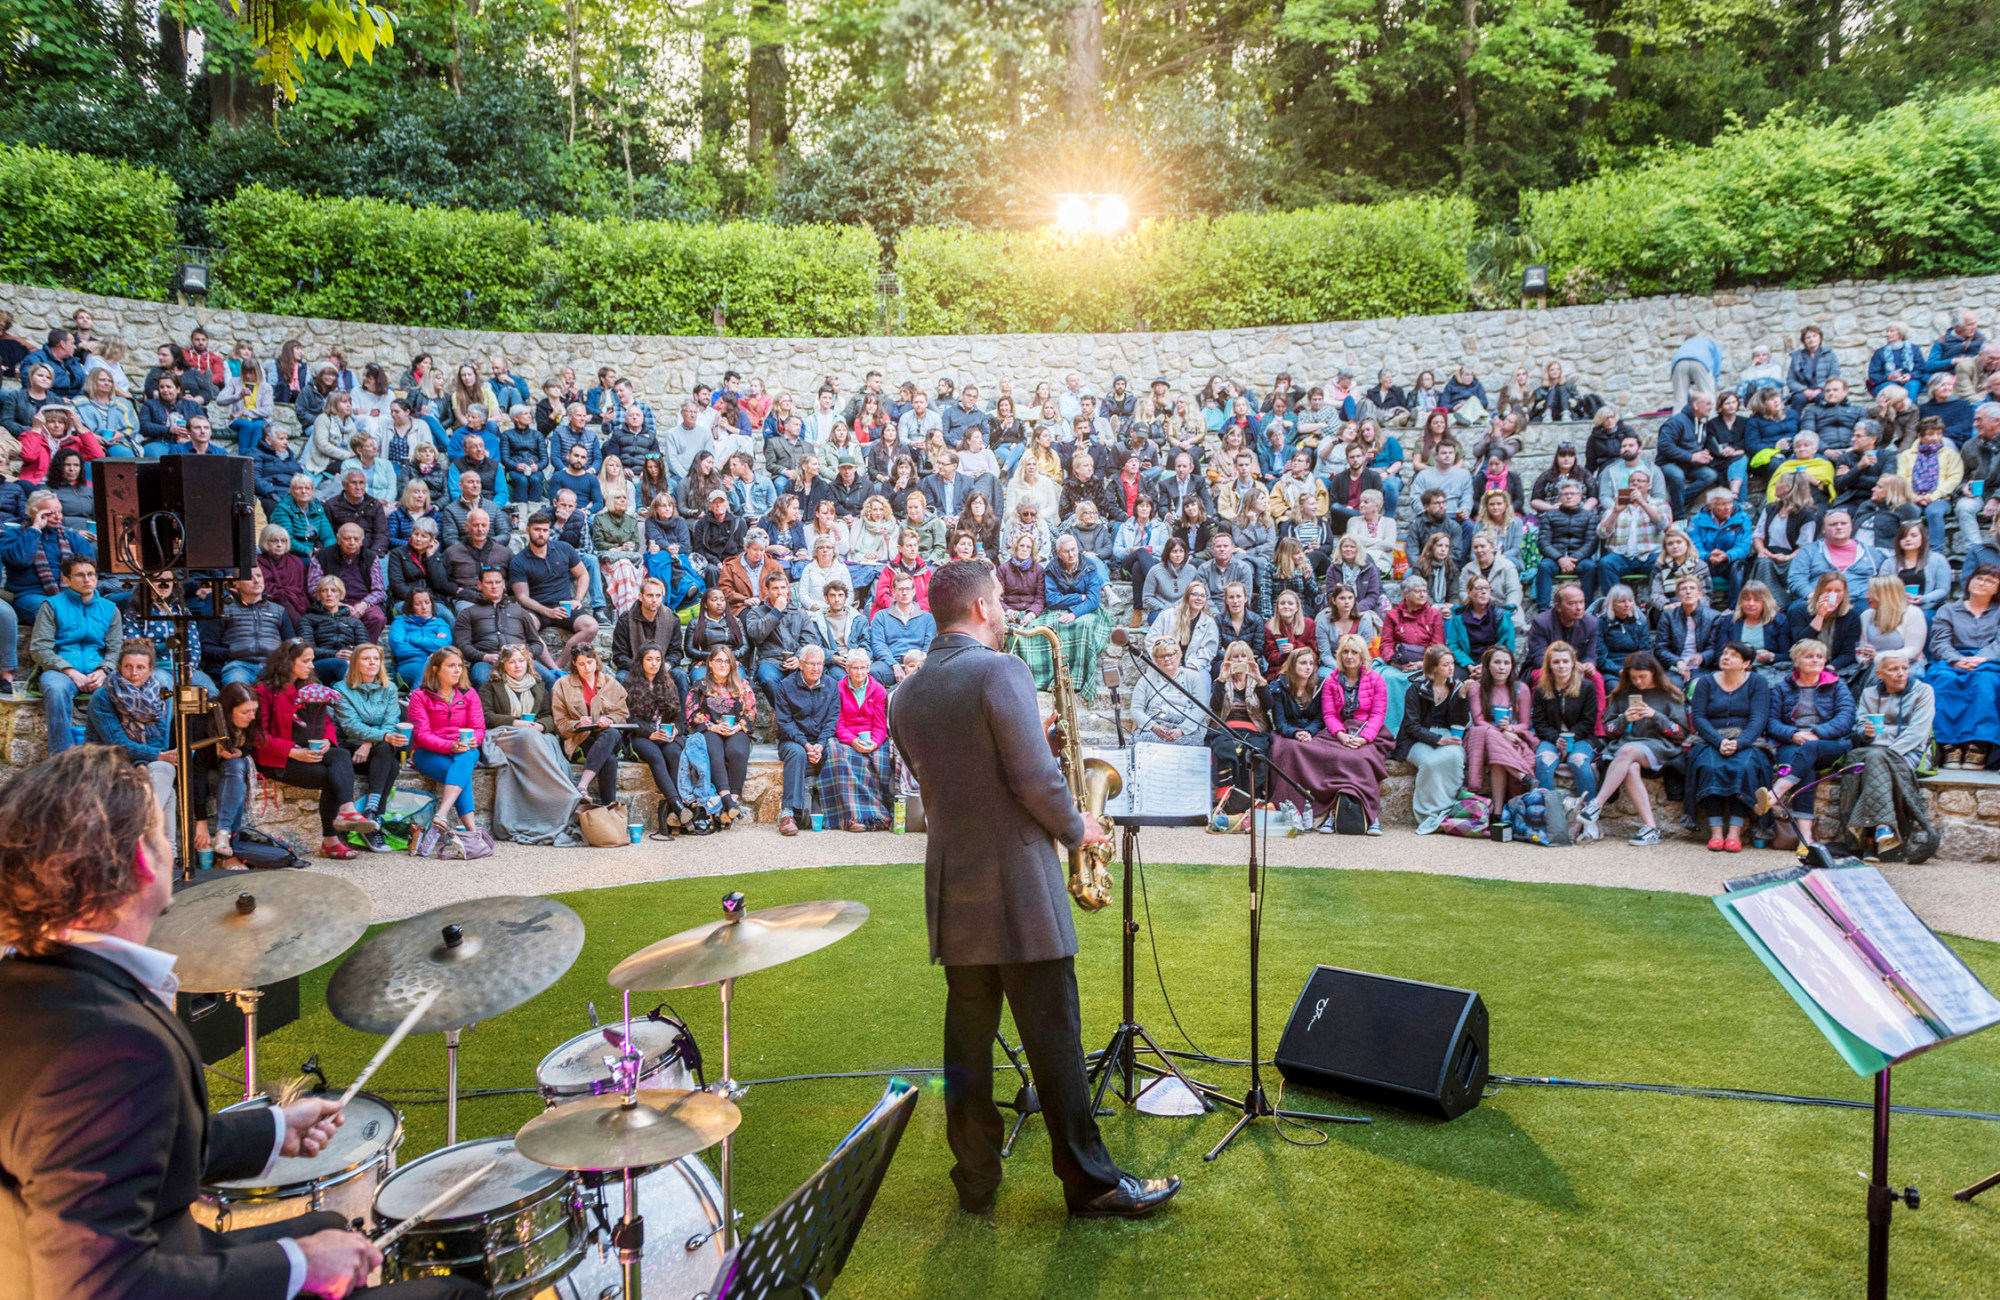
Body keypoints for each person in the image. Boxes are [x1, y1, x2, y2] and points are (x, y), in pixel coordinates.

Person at [0, 746, 479, 1300]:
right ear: (139, 860)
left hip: (138, 1245)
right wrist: (296, 1267)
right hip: (147, 1271)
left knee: (325, 1225)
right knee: (451, 1293)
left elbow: (131, 1150)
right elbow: (103, 1286)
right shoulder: (108, 1047)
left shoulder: (30, 986)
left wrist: (272, 1131)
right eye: (161, 834)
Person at [886, 560, 1172, 1218]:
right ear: (983, 608)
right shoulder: (1000, 669)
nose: (1009, 613)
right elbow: (1035, 783)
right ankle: (1092, 1182)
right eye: (1001, 603)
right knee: (1056, 1042)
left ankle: (976, 1179)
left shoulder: (904, 695)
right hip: (1017, 888)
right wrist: (1081, 830)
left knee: (967, 1043)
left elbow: (957, 780)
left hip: (953, 889)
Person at [251, 639, 379, 858]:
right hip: (279, 759)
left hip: (309, 750)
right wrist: (293, 752)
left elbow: (326, 721)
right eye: (306, 661)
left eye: (311, 660)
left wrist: (328, 739)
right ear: (287, 662)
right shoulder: (263, 690)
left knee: (340, 754)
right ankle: (331, 839)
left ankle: (346, 811)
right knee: (332, 776)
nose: (312, 665)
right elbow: (258, 735)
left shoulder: (310, 686)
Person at [1833, 652, 1939, 860]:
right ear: (1880, 674)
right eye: (1893, 669)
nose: (1901, 674)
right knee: (1872, 758)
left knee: (1875, 759)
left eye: (1904, 668)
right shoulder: (1870, 693)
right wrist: (1866, 733)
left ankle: (1861, 831)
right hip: (1873, 750)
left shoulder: (1923, 691)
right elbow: (1860, 725)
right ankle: (1883, 830)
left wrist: (1888, 754)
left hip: (1910, 752)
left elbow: (1917, 733)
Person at [1580, 652, 1687, 845]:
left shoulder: (1670, 694)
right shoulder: (1622, 694)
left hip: (1660, 746)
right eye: (1634, 677)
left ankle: (1596, 804)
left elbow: (1680, 733)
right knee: (1630, 766)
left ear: (1653, 672)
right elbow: (1609, 730)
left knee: (1628, 751)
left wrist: (1655, 715)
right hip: (1627, 746)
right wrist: (1624, 719)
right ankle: (1651, 828)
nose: (1638, 681)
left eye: (1642, 676)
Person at [1759, 639, 1855, 848]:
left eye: (1819, 657)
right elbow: (1771, 722)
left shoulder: (1837, 685)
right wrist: (1793, 734)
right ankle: (1806, 839)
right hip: (1792, 743)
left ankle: (1775, 793)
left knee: (1809, 749)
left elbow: (1846, 717)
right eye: (1809, 656)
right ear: (1796, 660)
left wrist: (1817, 733)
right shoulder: (1783, 687)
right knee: (1805, 770)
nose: (1815, 660)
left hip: (1829, 744)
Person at [1685, 641, 1772, 852]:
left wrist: (1739, 743)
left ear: (1746, 663)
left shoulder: (1757, 682)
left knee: (1744, 768)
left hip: (1747, 739)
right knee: (1709, 766)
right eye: (1724, 653)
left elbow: (1758, 719)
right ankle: (1716, 833)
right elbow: (1698, 717)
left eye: (1733, 655)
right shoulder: (1704, 682)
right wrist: (1719, 741)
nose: (1726, 657)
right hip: (1710, 738)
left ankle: (1734, 832)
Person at [404, 645, 489, 853]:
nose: (457, 670)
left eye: (460, 666)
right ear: (436, 669)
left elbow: (479, 728)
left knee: (467, 758)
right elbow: (421, 736)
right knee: (463, 774)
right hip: (428, 753)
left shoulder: (469, 694)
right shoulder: (419, 696)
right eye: (451, 666)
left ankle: (442, 814)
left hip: (464, 750)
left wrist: (471, 742)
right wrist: (450, 745)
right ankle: (473, 832)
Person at [84, 639, 178, 816]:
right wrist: (144, 761)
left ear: (151, 670)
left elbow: (159, 740)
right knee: (164, 791)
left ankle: (157, 841)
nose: (133, 673)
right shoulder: (103, 696)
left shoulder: (160, 695)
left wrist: (142, 762)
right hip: (106, 760)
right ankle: (145, 834)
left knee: (165, 770)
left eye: (140, 667)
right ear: (119, 667)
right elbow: (118, 744)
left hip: (141, 758)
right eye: (128, 666)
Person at [1923, 562, 2000, 769]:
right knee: (1942, 680)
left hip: (1990, 661)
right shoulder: (1948, 610)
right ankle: (1950, 746)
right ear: (1969, 581)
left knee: (1984, 682)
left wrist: (1982, 658)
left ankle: (1978, 745)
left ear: (1997, 589)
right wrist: (1956, 659)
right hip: (1953, 659)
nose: (1982, 583)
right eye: (1979, 578)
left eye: (1990, 581)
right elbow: (1939, 642)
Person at [332, 642, 409, 847]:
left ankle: (371, 813)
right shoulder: (341, 689)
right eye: (366, 659)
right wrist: (369, 741)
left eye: (376, 659)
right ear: (355, 663)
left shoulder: (389, 688)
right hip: (351, 751)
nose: (372, 662)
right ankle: (375, 818)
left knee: (386, 750)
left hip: (375, 750)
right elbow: (351, 727)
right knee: (390, 761)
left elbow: (392, 722)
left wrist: (369, 742)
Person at [510, 512, 600, 667]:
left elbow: (583, 575)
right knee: (525, 625)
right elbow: (522, 597)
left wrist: (578, 599)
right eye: (537, 529)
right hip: (538, 608)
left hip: (564, 604)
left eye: (545, 530)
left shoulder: (564, 548)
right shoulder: (519, 560)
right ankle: (552, 668)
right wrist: (548, 612)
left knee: (591, 626)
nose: (541, 534)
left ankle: (558, 666)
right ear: (528, 530)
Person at [771, 642, 838, 835]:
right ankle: (788, 814)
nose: (816, 668)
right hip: (792, 740)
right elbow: (785, 723)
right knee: (798, 753)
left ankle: (837, 812)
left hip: (819, 740)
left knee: (836, 750)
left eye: (820, 664)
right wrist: (807, 745)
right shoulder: (785, 686)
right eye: (811, 664)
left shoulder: (831, 685)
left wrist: (820, 744)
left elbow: (832, 720)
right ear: (800, 664)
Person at [551, 644, 628, 807]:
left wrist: (610, 719)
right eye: (581, 664)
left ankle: (582, 785)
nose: (587, 668)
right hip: (580, 740)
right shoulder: (562, 685)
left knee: (612, 733)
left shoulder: (610, 683)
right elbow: (559, 724)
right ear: (574, 664)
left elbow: (623, 714)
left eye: (590, 662)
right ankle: (609, 808)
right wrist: (577, 723)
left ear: (596, 661)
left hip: (608, 737)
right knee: (609, 759)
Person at [1462, 645, 1536, 811]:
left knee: (1498, 759)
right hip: (1482, 743)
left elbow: (1525, 724)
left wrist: (1510, 728)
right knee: (1483, 732)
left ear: (1512, 666)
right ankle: (1522, 776)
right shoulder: (1477, 688)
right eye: (1497, 662)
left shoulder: (1520, 689)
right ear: (1488, 665)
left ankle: (1497, 812)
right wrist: (1502, 735)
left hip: (1510, 740)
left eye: (1506, 663)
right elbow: (1479, 720)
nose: (1502, 667)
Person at [688, 646, 754, 821]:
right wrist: (712, 726)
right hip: (711, 729)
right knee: (714, 751)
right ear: (710, 663)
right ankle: (727, 799)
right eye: (719, 661)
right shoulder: (700, 686)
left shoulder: (743, 685)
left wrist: (738, 727)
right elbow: (691, 713)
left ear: (732, 665)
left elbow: (751, 712)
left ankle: (732, 800)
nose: (723, 665)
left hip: (736, 729)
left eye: (727, 661)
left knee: (737, 751)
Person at [1531, 641, 1600, 809]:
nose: (1561, 666)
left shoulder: (1587, 687)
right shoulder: (1541, 690)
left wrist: (1570, 737)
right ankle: (1547, 814)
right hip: (1551, 737)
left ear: (1573, 663)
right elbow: (1539, 723)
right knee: (1544, 761)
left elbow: (1588, 721)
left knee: (1579, 761)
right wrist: (1556, 739)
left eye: (1565, 661)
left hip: (1582, 738)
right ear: (1549, 665)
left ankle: (1590, 814)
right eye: (1556, 662)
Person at [1784, 572, 1861, 677]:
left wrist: (1829, 668)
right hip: (1805, 665)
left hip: (1836, 666)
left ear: (1844, 593)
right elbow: (1799, 643)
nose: (1833, 595)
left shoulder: (1851, 615)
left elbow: (1848, 652)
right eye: (1828, 590)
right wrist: (1820, 615)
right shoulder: (1800, 610)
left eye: (1838, 591)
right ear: (1820, 591)